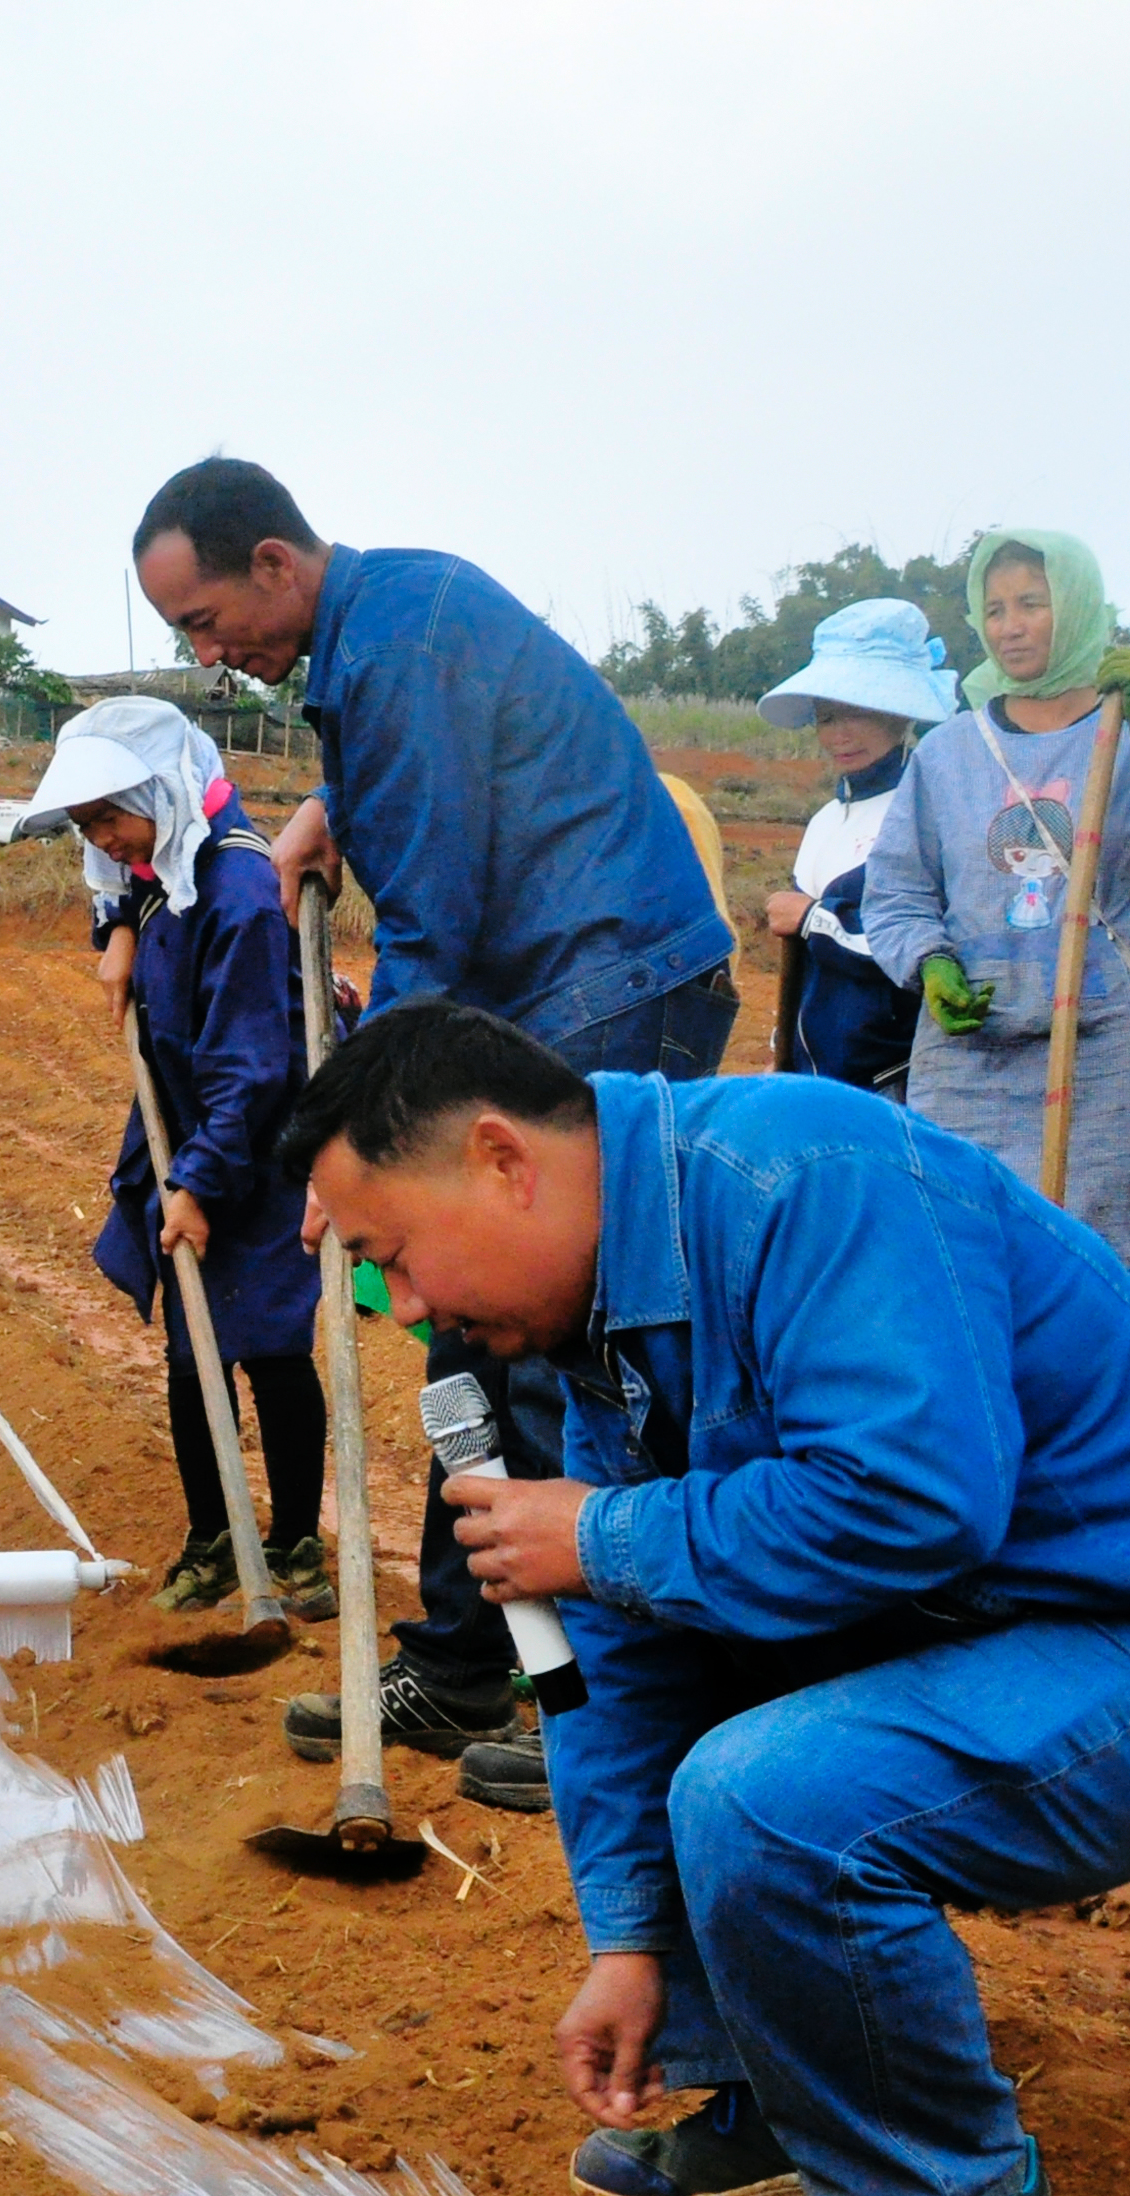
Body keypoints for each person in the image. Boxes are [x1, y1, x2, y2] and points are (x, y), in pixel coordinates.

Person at [285, 1001, 1130, 2196]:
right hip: (1000, 1623)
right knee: (689, 1640)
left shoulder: (803, 1183)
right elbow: (611, 1659)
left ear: (501, 1160)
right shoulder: (608, 1302)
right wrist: (629, 1940)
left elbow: (910, 1499)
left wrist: (603, 1530)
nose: (407, 1310)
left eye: (391, 1261)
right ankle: (778, 2098)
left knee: (763, 1791)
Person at [134, 457, 739, 1808]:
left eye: (203, 621)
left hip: (609, 989)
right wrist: (316, 817)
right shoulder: (376, 636)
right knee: (467, 1338)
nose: (207, 653)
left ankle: (596, 1697)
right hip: (551, 990)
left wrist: (347, 1143)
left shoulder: (397, 645)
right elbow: (422, 801)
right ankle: (471, 1656)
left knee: (566, 1351)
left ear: (275, 567)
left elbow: (431, 933)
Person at [0, 698, 337, 1619]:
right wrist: (120, 934)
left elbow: (254, 1070)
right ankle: (212, 1539)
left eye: (109, 816)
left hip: (257, 1145)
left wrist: (197, 1186)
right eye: (89, 824)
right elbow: (131, 887)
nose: (103, 837)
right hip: (189, 1126)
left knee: (272, 1347)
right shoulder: (166, 862)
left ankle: (298, 1545)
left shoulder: (241, 894)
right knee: (192, 1350)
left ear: (159, 792)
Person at [857, 531, 1130, 1267]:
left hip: (1100, 1050)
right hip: (968, 1063)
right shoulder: (948, 753)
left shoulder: (1126, 737)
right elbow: (898, 890)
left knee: (1095, 1272)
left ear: (1074, 609)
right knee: (967, 1262)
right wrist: (929, 964)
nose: (1010, 626)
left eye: (1032, 604)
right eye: (996, 607)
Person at [757, 600, 954, 1092]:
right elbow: (801, 973)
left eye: (859, 713)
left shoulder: (928, 812)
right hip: (818, 1083)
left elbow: (911, 948)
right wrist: (781, 1054)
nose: (840, 735)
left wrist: (811, 919)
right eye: (827, 717)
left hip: (895, 1083)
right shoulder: (825, 822)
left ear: (899, 715)